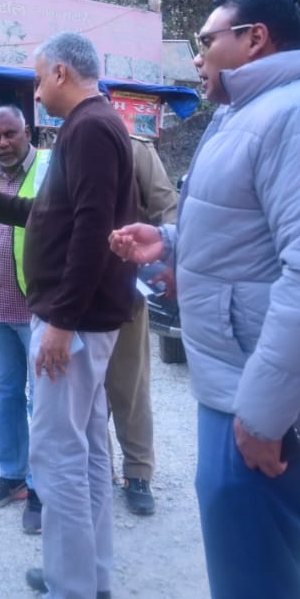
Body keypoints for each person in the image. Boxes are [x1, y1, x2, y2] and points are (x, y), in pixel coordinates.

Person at [110, 0, 300, 599]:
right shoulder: (244, 114)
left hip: (266, 401)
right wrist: (171, 245)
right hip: (238, 383)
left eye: (206, 39)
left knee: (259, 582)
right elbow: (249, 235)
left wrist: (264, 416)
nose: (197, 56)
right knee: (246, 573)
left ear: (255, 39)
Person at [0, 31, 138, 599]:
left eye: (37, 79)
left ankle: (72, 586)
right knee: (82, 450)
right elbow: (50, 213)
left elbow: (90, 231)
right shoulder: (91, 126)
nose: (35, 91)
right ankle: (86, 576)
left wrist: (59, 321)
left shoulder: (88, 129)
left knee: (59, 453)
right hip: (82, 318)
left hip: (74, 323)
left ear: (60, 73)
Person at [0, 105, 51, 533]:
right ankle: (14, 473)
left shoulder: (49, 170)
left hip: (35, 311)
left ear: (27, 131)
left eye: (9, 135)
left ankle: (41, 488)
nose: (1, 143)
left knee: (44, 403)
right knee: (6, 395)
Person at [105, 133, 177, 517]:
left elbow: (167, 206)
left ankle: (137, 472)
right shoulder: (62, 145)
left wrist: (169, 260)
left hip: (125, 289)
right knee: (84, 394)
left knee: (128, 384)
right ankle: (98, 472)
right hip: (77, 295)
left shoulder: (133, 148)